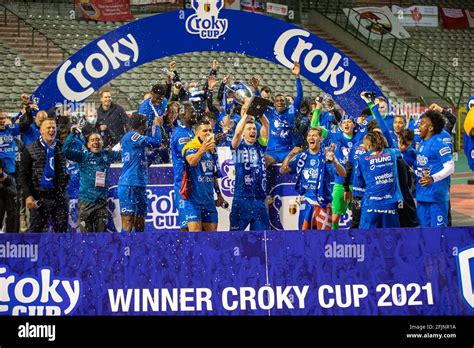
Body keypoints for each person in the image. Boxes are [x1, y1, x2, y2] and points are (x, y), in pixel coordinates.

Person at [281, 128, 345, 230]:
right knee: (304, 237)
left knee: (324, 239)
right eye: (309, 135)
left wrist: (335, 161)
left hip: (323, 203)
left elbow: (342, 173)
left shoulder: (326, 156)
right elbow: (283, 170)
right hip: (306, 202)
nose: (311, 137)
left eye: (314, 135)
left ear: (320, 138)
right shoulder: (302, 157)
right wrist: (290, 154)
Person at [62, 127, 121, 232]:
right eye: (92, 140)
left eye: (98, 139)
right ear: (88, 145)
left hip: (101, 204)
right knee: (86, 239)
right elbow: (65, 150)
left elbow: (124, 153)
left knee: (101, 238)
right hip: (85, 203)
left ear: (102, 142)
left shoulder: (107, 155)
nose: (95, 142)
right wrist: (72, 134)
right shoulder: (83, 156)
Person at [19, 117, 69, 232]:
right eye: (48, 127)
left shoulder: (62, 147)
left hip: (59, 197)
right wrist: (28, 195)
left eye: (53, 127)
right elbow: (23, 175)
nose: (52, 130)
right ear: (41, 130)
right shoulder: (30, 149)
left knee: (61, 233)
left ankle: (58, 251)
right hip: (39, 197)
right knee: (35, 234)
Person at [118, 113, 163, 232]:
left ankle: (139, 249)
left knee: (140, 222)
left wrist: (155, 154)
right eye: (147, 124)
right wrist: (157, 126)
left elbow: (144, 162)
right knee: (128, 221)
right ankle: (124, 249)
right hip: (129, 184)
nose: (147, 127)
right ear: (142, 125)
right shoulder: (132, 136)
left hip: (140, 184)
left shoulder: (137, 142)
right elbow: (156, 142)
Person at [230, 100, 271, 231]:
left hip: (259, 199)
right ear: (243, 132)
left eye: (254, 128)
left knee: (262, 238)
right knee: (235, 237)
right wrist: (246, 114)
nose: (253, 130)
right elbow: (237, 133)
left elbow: (266, 124)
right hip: (242, 199)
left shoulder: (260, 146)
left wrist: (259, 111)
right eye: (249, 129)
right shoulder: (237, 147)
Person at [181, 120, 225, 232]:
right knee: (195, 237)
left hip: (209, 201)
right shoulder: (190, 147)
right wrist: (202, 149)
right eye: (204, 130)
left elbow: (213, 175)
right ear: (196, 133)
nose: (208, 133)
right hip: (193, 201)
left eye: (210, 130)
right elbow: (192, 162)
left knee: (212, 239)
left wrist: (219, 194)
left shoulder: (212, 150)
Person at [353, 131, 403, 229]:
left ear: (368, 145)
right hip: (390, 204)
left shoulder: (361, 159)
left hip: (370, 205)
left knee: (367, 240)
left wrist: (357, 207)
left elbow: (358, 188)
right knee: (391, 240)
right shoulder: (393, 153)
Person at [415, 110, 454, 227]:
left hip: (436, 197)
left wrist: (433, 178)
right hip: (422, 196)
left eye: (422, 123)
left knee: (438, 234)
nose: (418, 126)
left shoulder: (439, 144)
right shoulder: (421, 144)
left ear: (430, 128)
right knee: (424, 234)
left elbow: (450, 167)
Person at [265, 61, 303, 165]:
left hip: (288, 151)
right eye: (277, 101)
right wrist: (255, 90)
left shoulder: (291, 111)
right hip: (272, 152)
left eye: (282, 100)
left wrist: (297, 77)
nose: (280, 102)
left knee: (301, 158)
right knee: (263, 161)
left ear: (286, 103)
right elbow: (259, 102)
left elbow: (299, 97)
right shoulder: (269, 112)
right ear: (274, 103)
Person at [170, 102, 196, 231]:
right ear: (183, 115)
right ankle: (187, 251)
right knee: (187, 227)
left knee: (196, 225)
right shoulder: (181, 134)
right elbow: (190, 158)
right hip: (184, 185)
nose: (195, 113)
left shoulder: (190, 131)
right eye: (192, 111)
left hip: (193, 183)